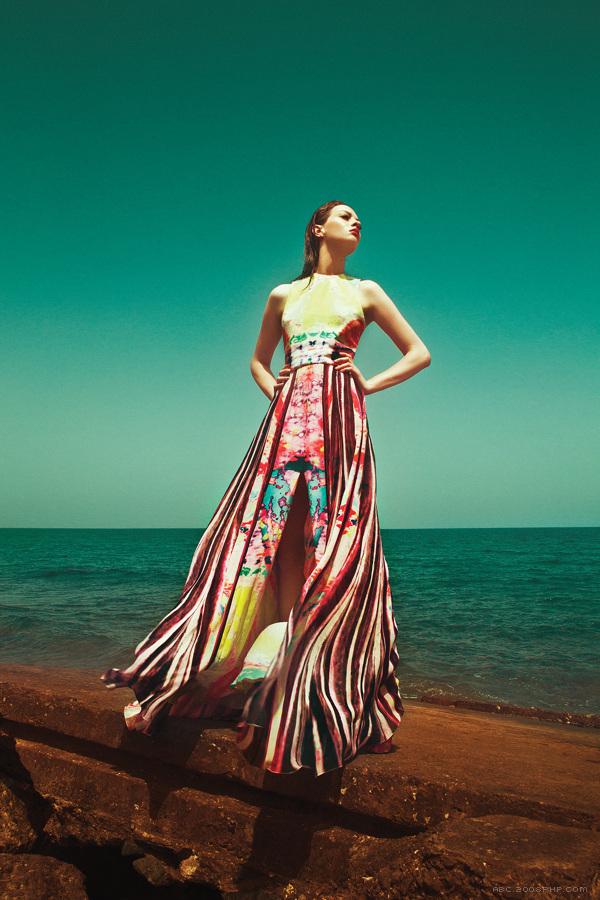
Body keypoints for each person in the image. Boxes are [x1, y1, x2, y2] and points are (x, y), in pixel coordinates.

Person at [100, 199, 431, 776]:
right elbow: (257, 361)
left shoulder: (366, 291)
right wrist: (279, 392)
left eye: (358, 218)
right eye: (345, 215)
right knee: (265, 539)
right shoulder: (284, 296)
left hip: (340, 426)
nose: (356, 222)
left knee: (333, 541)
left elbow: (419, 353)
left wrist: (365, 384)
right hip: (284, 428)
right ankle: (253, 661)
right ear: (318, 227)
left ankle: (313, 673)